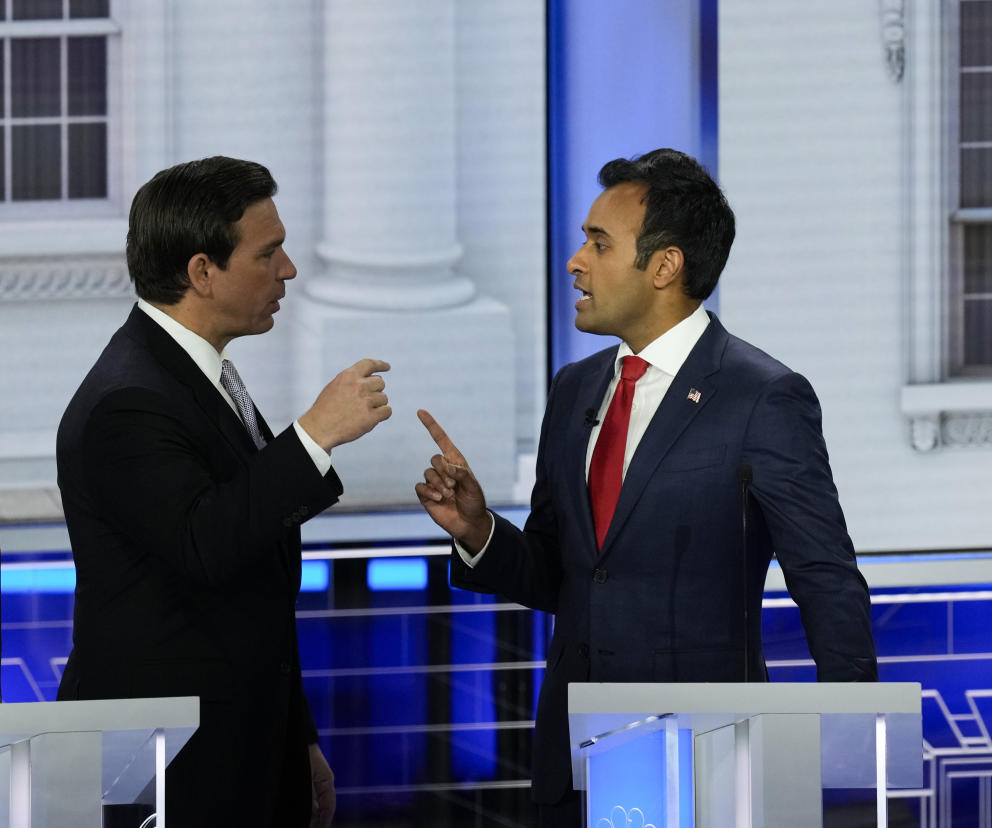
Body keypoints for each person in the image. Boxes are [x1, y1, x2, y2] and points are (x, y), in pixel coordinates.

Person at [416, 148, 876, 826]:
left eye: (599, 243)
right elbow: (562, 576)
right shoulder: (574, 389)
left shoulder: (763, 397)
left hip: (704, 766)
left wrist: (852, 736)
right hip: (573, 771)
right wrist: (479, 532)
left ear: (665, 266)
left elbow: (825, 575)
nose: (576, 261)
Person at [56, 156, 392, 828]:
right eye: (268, 253)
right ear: (201, 272)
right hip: (166, 771)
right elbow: (206, 543)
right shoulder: (131, 399)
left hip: (239, 751)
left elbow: (255, 582)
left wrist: (297, 738)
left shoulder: (186, 375)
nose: (288, 270)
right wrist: (315, 434)